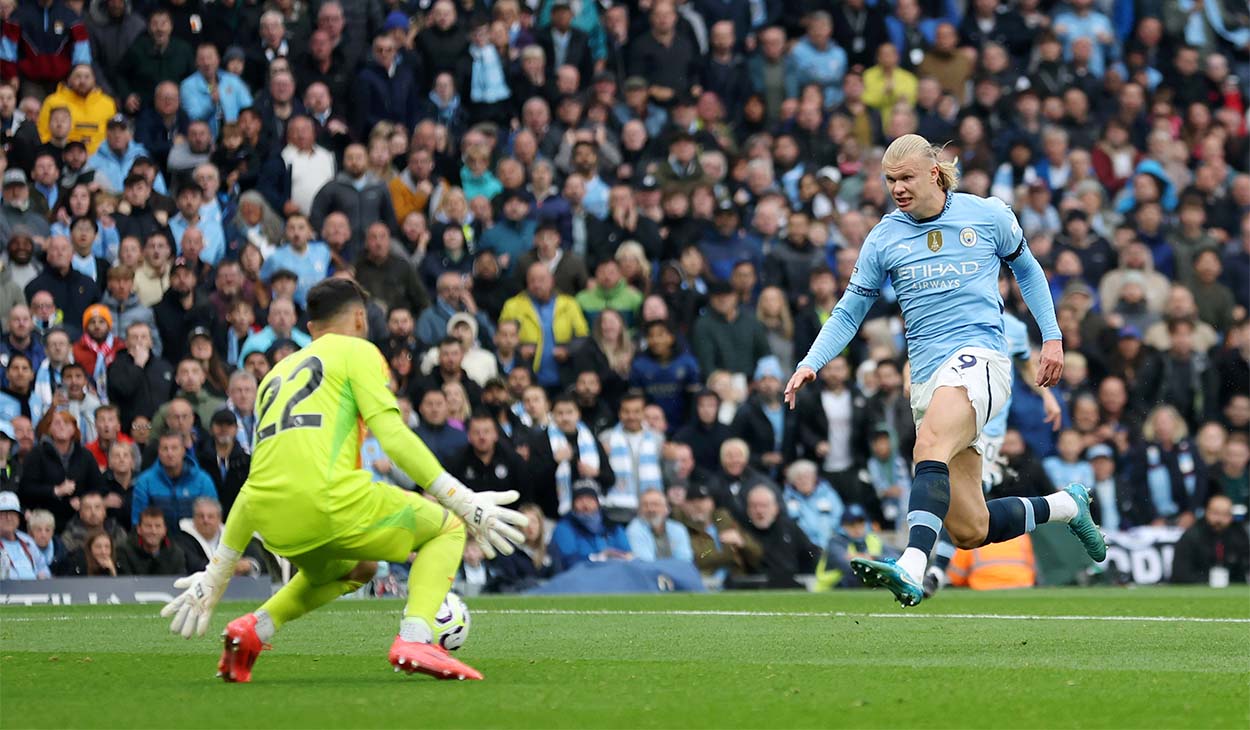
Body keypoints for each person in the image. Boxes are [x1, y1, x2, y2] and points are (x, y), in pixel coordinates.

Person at [784, 134, 1103, 607]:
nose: (898, 188)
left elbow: (1029, 272)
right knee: (971, 528)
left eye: (906, 178)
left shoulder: (987, 214)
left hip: (981, 360)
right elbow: (850, 312)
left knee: (927, 446)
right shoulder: (884, 237)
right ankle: (1066, 505)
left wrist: (1052, 336)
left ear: (933, 172)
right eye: (890, 180)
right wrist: (812, 361)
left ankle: (911, 564)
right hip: (929, 378)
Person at [158, 278, 528, 684]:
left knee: (359, 568)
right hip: (329, 502)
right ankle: (416, 637)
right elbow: (394, 435)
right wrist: (461, 498)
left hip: (273, 522)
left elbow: (256, 480)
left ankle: (254, 629)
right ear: (358, 317)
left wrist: (217, 574)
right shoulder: (357, 351)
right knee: (448, 528)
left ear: (311, 328)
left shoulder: (273, 376)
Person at [132, 431, 218, 527]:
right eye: (165, 449)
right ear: (159, 452)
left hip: (194, 538)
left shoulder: (203, 481)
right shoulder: (145, 482)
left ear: (183, 451)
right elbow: (137, 522)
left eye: (174, 448)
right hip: (158, 539)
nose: (170, 453)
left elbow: (213, 518)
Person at [174, 496, 267, 576]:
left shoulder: (234, 536)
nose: (205, 520)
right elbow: (194, 565)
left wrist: (249, 564)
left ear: (219, 519)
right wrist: (229, 568)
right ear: (194, 519)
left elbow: (258, 560)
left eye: (210, 516)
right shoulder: (183, 539)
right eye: (201, 516)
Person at [1171, 494, 1249, 584]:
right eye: (1216, 513)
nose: (1220, 519)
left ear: (1231, 516)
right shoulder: (1191, 536)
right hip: (1197, 588)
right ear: (1206, 512)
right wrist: (1208, 581)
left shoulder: (1239, 535)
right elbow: (1181, 573)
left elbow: (1245, 567)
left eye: (1225, 514)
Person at [550, 484, 632, 567]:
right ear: (573, 505)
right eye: (580, 500)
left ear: (597, 503)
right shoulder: (564, 528)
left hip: (616, 573)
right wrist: (599, 558)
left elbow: (627, 553)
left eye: (589, 499)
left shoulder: (613, 526)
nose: (585, 505)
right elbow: (568, 560)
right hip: (581, 576)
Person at [626, 488, 694, 563]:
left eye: (655, 504)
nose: (650, 509)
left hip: (676, 573)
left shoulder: (678, 529)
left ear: (666, 509)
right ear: (639, 510)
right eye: (645, 505)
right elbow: (646, 563)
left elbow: (685, 560)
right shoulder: (634, 529)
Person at [117, 505, 186, 575]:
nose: (153, 531)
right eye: (148, 526)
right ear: (139, 529)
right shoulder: (124, 552)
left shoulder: (176, 554)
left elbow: (180, 582)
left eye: (158, 526)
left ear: (164, 530)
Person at [0, 490, 50, 579]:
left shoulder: (27, 541)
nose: (8, 518)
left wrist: (44, 576)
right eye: (3, 514)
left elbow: (42, 567)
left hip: (34, 590)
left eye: (12, 513)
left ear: (18, 518)